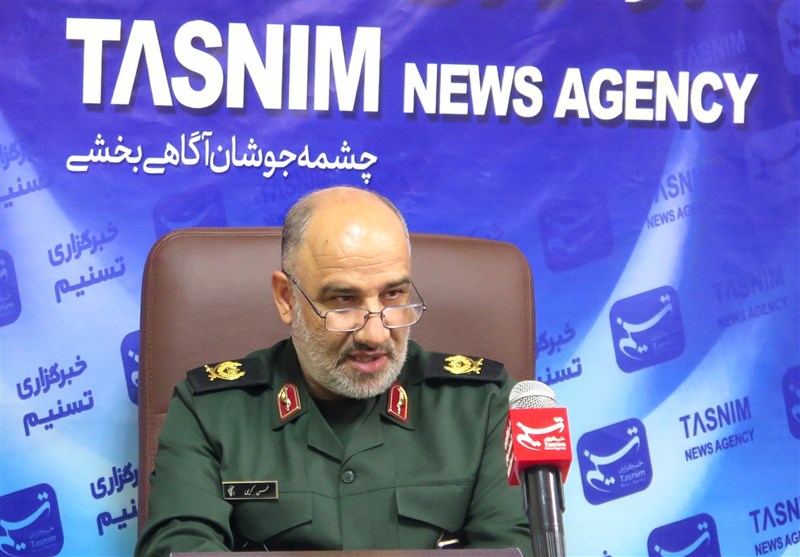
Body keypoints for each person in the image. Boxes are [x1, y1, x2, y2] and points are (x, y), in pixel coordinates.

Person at [135, 186, 532, 556]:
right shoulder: (209, 410)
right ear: (287, 298)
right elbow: (180, 545)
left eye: (393, 295)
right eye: (343, 301)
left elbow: (515, 547)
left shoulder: (485, 406)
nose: (375, 334)